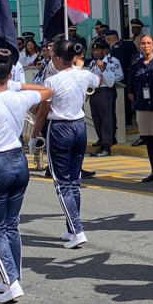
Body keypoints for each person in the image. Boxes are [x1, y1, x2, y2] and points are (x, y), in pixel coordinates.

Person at [0, 50, 53, 302]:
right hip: (17, 161)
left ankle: (11, 282)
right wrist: (17, 85)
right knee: (11, 225)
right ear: (10, 75)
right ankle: (12, 277)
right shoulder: (19, 97)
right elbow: (46, 91)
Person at [31, 39, 99, 249]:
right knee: (73, 181)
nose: (51, 61)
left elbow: (42, 112)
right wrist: (80, 68)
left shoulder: (52, 81)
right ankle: (72, 228)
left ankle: (77, 230)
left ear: (59, 58)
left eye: (53, 57)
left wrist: (34, 136)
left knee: (62, 183)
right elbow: (99, 81)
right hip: (79, 127)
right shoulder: (84, 74)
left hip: (59, 128)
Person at [128, 35, 153, 181]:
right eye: (143, 43)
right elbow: (131, 80)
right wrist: (130, 92)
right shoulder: (136, 63)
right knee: (149, 139)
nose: (146, 46)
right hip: (143, 104)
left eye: (149, 43)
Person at [88, 38, 123, 156]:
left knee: (106, 120)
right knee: (97, 119)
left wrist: (103, 69)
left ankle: (107, 146)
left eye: (98, 50)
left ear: (104, 51)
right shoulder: (93, 63)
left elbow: (110, 82)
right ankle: (102, 141)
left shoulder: (110, 63)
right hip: (94, 92)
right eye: (94, 50)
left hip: (105, 92)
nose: (95, 52)